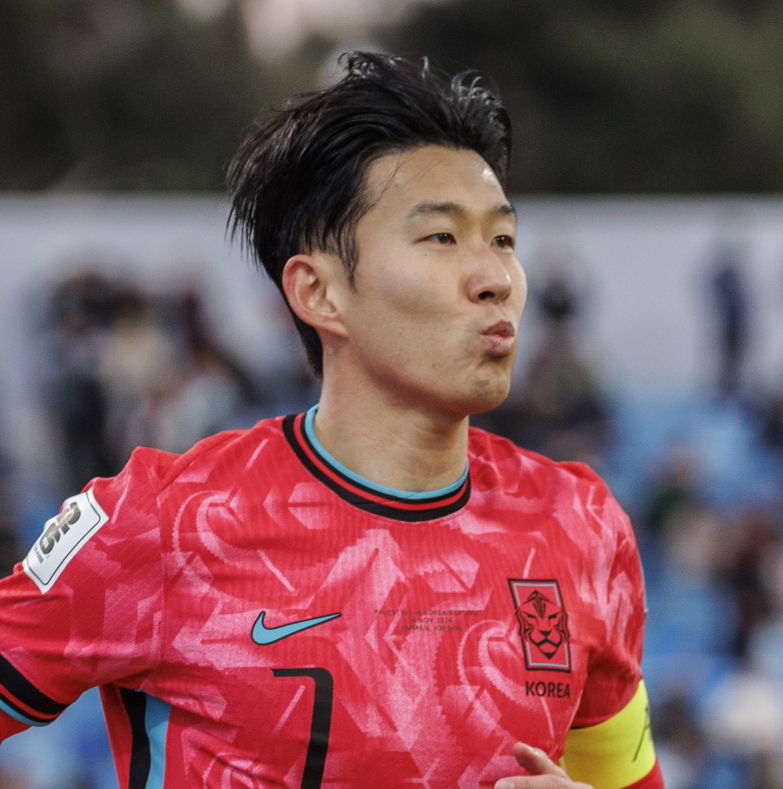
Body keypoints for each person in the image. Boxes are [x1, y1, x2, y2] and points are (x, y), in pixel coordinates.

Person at [0, 53, 661, 789]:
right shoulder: (163, 522)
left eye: (503, 239)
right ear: (318, 292)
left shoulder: (582, 525)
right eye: (442, 238)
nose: (496, 278)